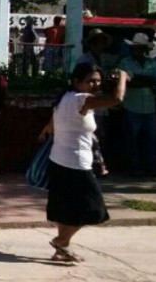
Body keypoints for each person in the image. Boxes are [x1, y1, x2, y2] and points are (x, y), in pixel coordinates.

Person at [42, 63, 128, 263]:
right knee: (95, 209)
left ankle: (61, 249)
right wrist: (123, 77)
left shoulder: (65, 98)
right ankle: (60, 240)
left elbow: (52, 126)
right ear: (77, 82)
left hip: (59, 159)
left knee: (66, 210)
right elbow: (116, 98)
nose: (95, 85)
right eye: (90, 81)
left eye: (98, 81)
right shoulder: (82, 99)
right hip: (76, 163)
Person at [118, 33, 156, 177]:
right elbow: (129, 81)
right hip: (132, 106)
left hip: (149, 107)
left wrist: (140, 78)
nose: (139, 51)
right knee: (132, 141)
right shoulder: (125, 62)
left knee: (152, 141)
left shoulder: (151, 62)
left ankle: (152, 168)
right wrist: (148, 80)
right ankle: (134, 168)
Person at [76, 29, 113, 176]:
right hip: (88, 102)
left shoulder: (103, 59)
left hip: (101, 102)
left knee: (100, 135)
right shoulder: (84, 60)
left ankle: (98, 165)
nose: (101, 46)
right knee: (89, 136)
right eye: (98, 43)